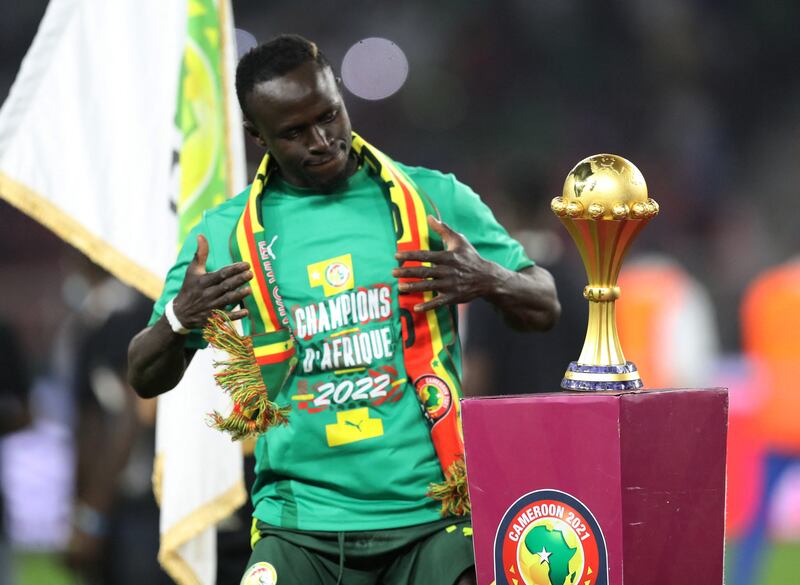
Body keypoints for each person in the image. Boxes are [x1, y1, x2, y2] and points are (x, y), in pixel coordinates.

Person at [128, 34, 560, 585]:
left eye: (329, 115)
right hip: (299, 526)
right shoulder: (224, 235)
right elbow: (143, 374)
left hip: (431, 519)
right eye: (293, 132)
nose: (323, 140)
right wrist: (178, 318)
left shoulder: (431, 198)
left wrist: (490, 278)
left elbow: (543, 302)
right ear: (256, 137)